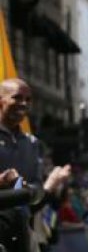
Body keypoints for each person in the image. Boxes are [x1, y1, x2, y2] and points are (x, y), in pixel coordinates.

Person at [0, 78, 71, 252]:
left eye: (28, 99)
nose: (23, 104)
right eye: (16, 97)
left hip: (22, 232)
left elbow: (37, 191)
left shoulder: (32, 144)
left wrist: (32, 190)